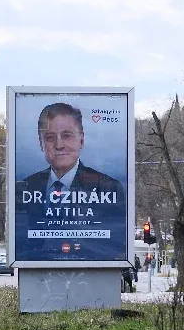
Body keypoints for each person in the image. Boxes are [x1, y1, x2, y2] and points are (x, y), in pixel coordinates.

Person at [15, 102, 126, 259]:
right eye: (50, 137)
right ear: (41, 143)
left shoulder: (108, 188)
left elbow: (112, 247)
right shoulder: (24, 188)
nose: (59, 145)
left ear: (81, 140)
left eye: (67, 135)